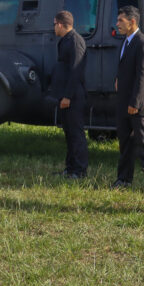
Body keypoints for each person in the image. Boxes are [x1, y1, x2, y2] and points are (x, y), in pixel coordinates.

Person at [112, 5, 144, 191]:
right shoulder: (126, 42)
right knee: (125, 143)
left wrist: (135, 103)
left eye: (120, 21)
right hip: (124, 103)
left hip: (139, 105)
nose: (117, 24)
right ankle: (123, 179)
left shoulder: (143, 43)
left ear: (132, 22)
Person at [50, 10, 88, 179]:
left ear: (60, 24)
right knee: (69, 133)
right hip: (64, 94)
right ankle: (70, 167)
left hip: (73, 96)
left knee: (76, 133)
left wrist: (68, 96)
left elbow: (76, 70)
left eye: (54, 24)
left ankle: (80, 170)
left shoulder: (75, 41)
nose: (53, 28)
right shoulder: (65, 40)